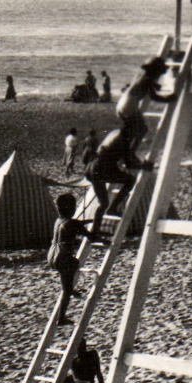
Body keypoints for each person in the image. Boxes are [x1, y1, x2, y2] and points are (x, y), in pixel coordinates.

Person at [114, 56, 173, 166]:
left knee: (133, 131)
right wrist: (169, 98)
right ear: (155, 71)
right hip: (129, 105)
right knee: (141, 129)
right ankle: (129, 155)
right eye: (159, 73)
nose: (159, 75)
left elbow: (144, 86)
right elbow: (154, 96)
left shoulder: (142, 77)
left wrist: (156, 86)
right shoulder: (148, 80)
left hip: (122, 103)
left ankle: (127, 154)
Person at [85, 128, 141, 237]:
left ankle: (94, 231)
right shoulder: (123, 139)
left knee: (103, 203)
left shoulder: (115, 133)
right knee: (130, 180)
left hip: (91, 168)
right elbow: (129, 162)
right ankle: (113, 207)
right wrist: (143, 165)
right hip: (101, 168)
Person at [46, 193, 92, 323]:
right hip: (63, 257)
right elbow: (90, 236)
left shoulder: (59, 221)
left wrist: (84, 222)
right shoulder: (73, 224)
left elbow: (71, 225)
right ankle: (61, 318)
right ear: (72, 209)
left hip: (52, 254)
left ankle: (70, 289)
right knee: (67, 287)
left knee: (67, 280)